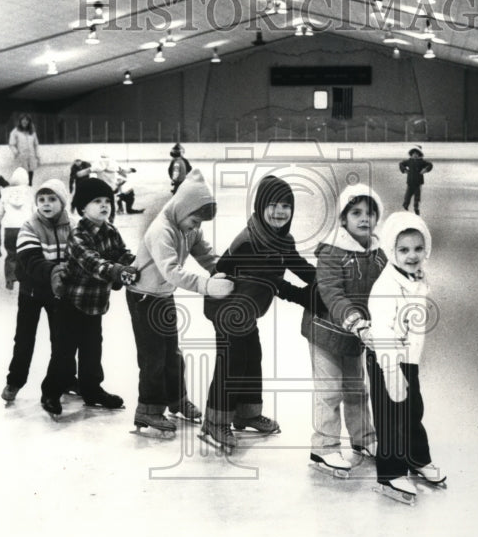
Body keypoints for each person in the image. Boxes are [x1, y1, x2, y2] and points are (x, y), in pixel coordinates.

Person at [201, 175, 316, 451]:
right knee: (232, 363)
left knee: (252, 357)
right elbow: (272, 281)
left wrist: (327, 281)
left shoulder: (281, 239)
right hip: (227, 308)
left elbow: (299, 266)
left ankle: (247, 413)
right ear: (260, 206)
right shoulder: (250, 241)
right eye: (273, 205)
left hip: (246, 310)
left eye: (286, 205)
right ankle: (214, 423)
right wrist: (305, 296)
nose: (280, 211)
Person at [125, 169, 233, 436]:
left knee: (173, 354)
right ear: (182, 209)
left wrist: (222, 270)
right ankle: (148, 410)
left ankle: (176, 399)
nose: (196, 227)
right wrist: (207, 286)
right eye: (194, 221)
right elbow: (171, 270)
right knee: (153, 358)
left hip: (162, 296)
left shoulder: (188, 228)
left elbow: (205, 254)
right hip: (143, 296)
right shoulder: (161, 230)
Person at [301, 183, 386, 475]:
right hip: (325, 332)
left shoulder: (378, 253)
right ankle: (323, 447)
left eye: (370, 213)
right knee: (329, 390)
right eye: (356, 213)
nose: (364, 219)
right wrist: (354, 320)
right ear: (343, 219)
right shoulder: (332, 253)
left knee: (356, 389)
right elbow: (332, 293)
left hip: (356, 334)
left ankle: (364, 439)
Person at [366, 211, 444, 503]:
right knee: (390, 417)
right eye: (404, 250)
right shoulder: (385, 287)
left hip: (408, 359)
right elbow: (383, 332)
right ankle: (390, 472)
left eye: (418, 249)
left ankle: (415, 457)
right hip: (386, 361)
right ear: (391, 251)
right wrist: (390, 371)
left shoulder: (415, 277)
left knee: (412, 410)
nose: (412, 255)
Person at [40, 177, 134, 416]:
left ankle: (92, 390)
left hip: (95, 304)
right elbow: (93, 262)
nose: (104, 206)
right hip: (72, 303)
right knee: (64, 353)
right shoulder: (78, 234)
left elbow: (123, 254)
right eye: (97, 201)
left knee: (93, 350)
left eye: (107, 201)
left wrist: (136, 264)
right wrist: (117, 272)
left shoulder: (111, 230)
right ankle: (51, 391)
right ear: (82, 207)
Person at [1, 179, 72, 403]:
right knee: (24, 339)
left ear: (63, 202)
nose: (46, 204)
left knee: (61, 340)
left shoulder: (73, 226)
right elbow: (30, 260)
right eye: (41, 200)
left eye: (52, 199)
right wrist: (57, 271)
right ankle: (15, 381)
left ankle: (63, 382)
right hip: (31, 292)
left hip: (58, 293)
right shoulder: (29, 226)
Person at [0, 167, 33, 290]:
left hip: (10, 229)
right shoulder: (29, 193)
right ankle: (27, 279)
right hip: (26, 229)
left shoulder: (6, 194)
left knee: (11, 255)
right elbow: (35, 211)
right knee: (27, 254)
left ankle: (10, 279)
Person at [399, 145, 433, 215]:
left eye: (416, 154)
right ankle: (405, 205)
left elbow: (430, 165)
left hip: (418, 182)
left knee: (417, 196)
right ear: (411, 154)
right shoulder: (409, 161)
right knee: (408, 195)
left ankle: (416, 208)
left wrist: (425, 169)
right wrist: (404, 170)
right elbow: (401, 164)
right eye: (413, 154)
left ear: (419, 154)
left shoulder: (421, 161)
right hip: (410, 182)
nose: (415, 155)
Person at [9, 113, 40, 186]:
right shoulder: (15, 131)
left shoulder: (32, 132)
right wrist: (16, 152)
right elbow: (11, 144)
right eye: (23, 120)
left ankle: (30, 186)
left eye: (27, 120)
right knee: (23, 173)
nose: (25, 122)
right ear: (20, 121)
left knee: (30, 172)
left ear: (29, 122)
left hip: (31, 155)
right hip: (21, 156)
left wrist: (37, 156)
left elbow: (36, 144)